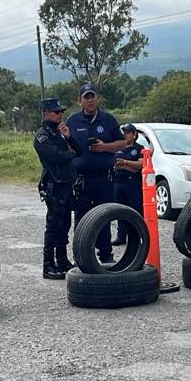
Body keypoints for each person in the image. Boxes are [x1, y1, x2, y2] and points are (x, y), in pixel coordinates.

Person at [65, 82, 123, 262]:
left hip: (104, 178)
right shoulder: (72, 121)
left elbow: (122, 143)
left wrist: (105, 147)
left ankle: (105, 255)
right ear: (79, 101)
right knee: (82, 219)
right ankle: (81, 256)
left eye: (93, 96)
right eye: (86, 97)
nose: (90, 100)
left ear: (98, 99)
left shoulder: (108, 119)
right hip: (81, 180)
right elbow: (65, 145)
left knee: (104, 216)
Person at [33, 97, 79, 279]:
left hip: (66, 183)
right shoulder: (43, 135)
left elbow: (80, 151)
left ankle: (62, 260)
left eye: (61, 112)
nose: (60, 115)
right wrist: (69, 153)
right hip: (54, 184)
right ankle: (48, 265)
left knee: (65, 224)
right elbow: (54, 156)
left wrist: (70, 138)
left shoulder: (60, 132)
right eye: (56, 112)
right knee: (53, 226)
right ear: (46, 113)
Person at [112, 124, 146, 245]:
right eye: (123, 133)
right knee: (119, 210)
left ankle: (137, 236)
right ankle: (121, 236)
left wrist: (125, 163)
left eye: (127, 132)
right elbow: (114, 164)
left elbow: (140, 165)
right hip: (118, 182)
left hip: (133, 183)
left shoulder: (138, 148)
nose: (124, 135)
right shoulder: (117, 148)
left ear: (134, 134)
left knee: (135, 210)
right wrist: (129, 166)